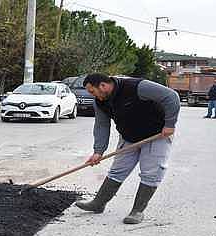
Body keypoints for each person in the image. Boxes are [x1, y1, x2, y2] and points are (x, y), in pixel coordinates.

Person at [75, 73, 180, 224]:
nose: (93, 96)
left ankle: (137, 211)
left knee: (151, 173)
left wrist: (170, 124)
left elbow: (171, 96)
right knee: (117, 171)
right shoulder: (100, 102)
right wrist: (98, 151)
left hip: (157, 136)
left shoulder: (137, 87)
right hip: (129, 137)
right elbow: (102, 126)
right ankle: (98, 203)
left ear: (103, 86)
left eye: (92, 91)